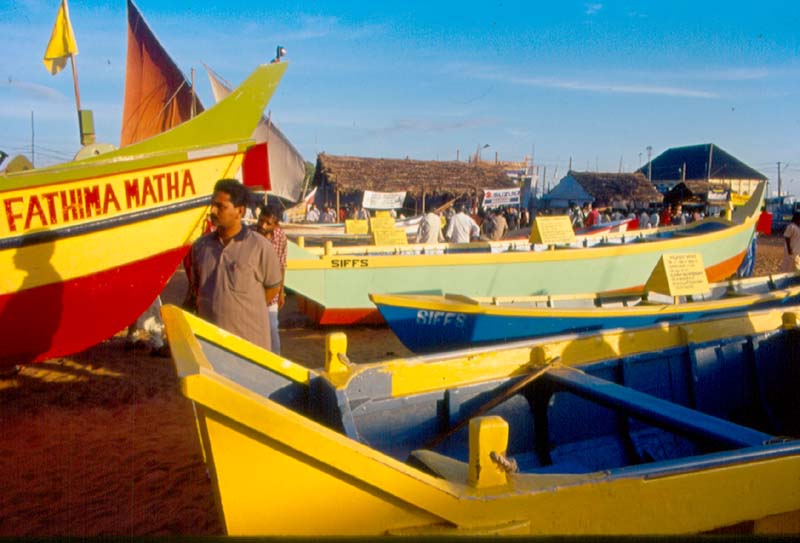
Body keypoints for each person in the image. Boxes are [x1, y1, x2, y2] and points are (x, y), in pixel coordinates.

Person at [184, 179, 282, 351]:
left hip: (250, 347)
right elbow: (195, 289)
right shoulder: (200, 247)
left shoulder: (260, 247)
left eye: (220, 207)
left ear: (240, 211)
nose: (213, 211)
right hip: (210, 345)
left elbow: (273, 287)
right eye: (212, 205)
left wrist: (243, 310)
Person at [255, 204, 287, 354]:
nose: (263, 226)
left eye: (268, 223)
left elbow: (282, 265)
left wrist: (281, 292)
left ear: (276, 225)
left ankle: (276, 359)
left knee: (272, 327)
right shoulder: (249, 234)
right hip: (252, 289)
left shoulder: (280, 236)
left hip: (271, 290)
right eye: (261, 220)